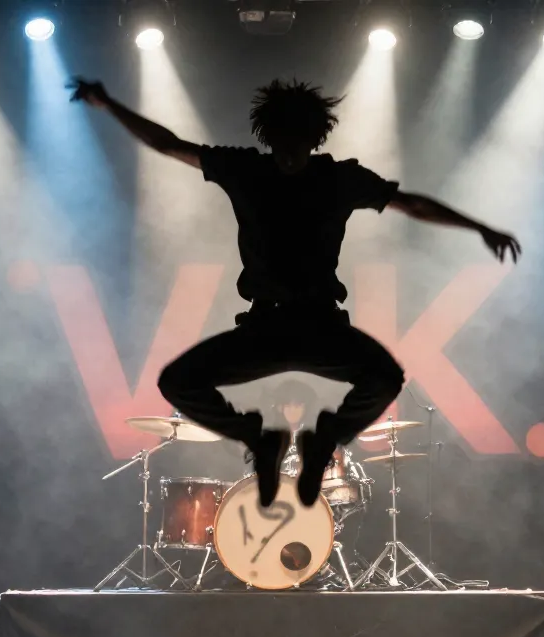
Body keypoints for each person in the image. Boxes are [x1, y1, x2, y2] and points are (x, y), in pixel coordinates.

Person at [71, 77, 521, 508]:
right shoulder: (246, 169)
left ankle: (323, 441)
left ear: (314, 138)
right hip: (264, 326)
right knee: (176, 382)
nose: (289, 154)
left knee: (386, 377)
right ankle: (259, 439)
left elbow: (412, 204)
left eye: (298, 143)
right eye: (282, 143)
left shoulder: (339, 178)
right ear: (269, 138)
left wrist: (477, 226)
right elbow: (167, 144)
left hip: (321, 325)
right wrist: (109, 105)